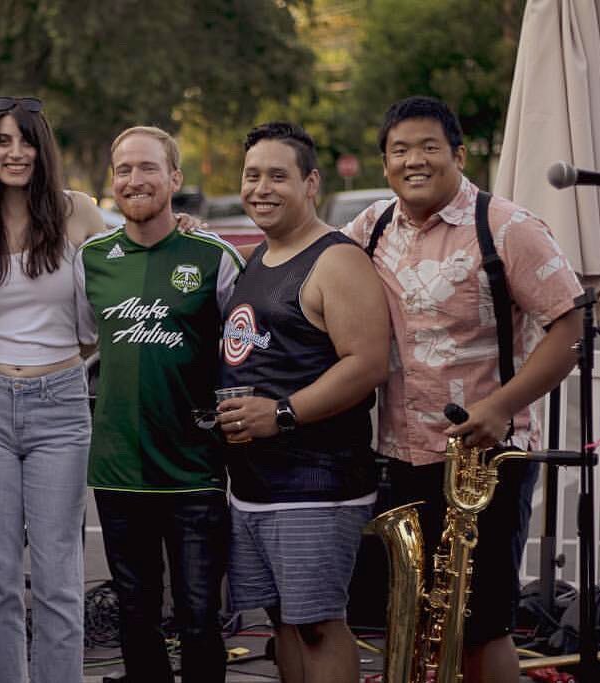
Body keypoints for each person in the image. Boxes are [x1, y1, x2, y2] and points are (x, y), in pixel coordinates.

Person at [343, 96, 583, 683]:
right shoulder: (369, 228)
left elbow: (571, 327)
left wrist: (501, 406)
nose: (414, 161)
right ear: (384, 162)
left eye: (429, 147)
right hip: (400, 455)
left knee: (482, 626)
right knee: (414, 619)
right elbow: (304, 262)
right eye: (399, 150)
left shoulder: (508, 227)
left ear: (458, 153)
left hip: (486, 461)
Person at [215, 122, 390, 683]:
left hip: (315, 483)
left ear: (311, 183)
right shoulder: (259, 259)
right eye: (251, 176)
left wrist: (281, 414)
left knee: (317, 624)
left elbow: (366, 365)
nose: (260, 188)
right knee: (282, 625)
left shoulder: (335, 260)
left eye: (277, 176)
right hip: (254, 487)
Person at [75, 126, 244, 683]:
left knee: (198, 617)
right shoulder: (91, 260)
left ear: (174, 178)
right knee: (135, 616)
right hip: (119, 467)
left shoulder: (212, 256)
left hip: (194, 468)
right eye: (123, 170)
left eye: (147, 168)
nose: (133, 179)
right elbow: (76, 341)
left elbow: (246, 352)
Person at [0, 95, 106, 683]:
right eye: (2, 141)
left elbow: (126, 276)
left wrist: (186, 226)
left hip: (60, 405)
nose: (14, 152)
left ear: (44, 149)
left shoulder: (81, 214)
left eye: (25, 140)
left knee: (58, 578)